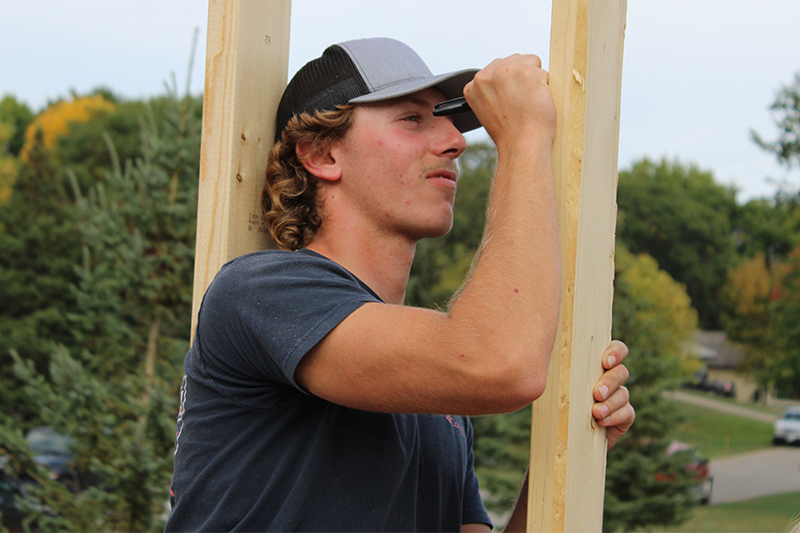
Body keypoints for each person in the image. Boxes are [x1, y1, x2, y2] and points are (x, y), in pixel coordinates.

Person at [165, 37, 634, 532]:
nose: (456, 140)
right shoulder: (261, 293)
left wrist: (569, 453)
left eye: (449, 119)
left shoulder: (439, 408)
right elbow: (499, 364)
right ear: (322, 155)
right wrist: (524, 139)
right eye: (412, 119)